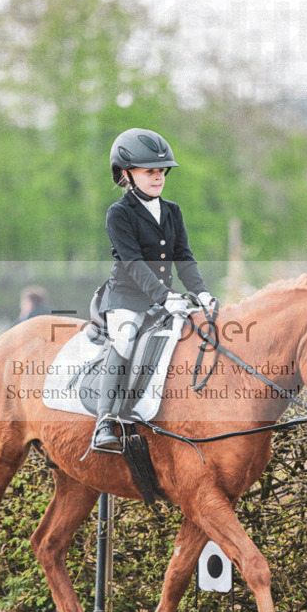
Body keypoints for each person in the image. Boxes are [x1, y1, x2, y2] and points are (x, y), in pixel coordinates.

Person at [91, 127, 215, 451]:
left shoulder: (173, 210)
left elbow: (184, 257)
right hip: (126, 298)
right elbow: (133, 263)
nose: (158, 177)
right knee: (125, 337)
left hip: (166, 300)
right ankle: (105, 421)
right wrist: (165, 297)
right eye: (150, 171)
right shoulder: (118, 213)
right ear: (127, 174)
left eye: (161, 171)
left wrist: (201, 293)